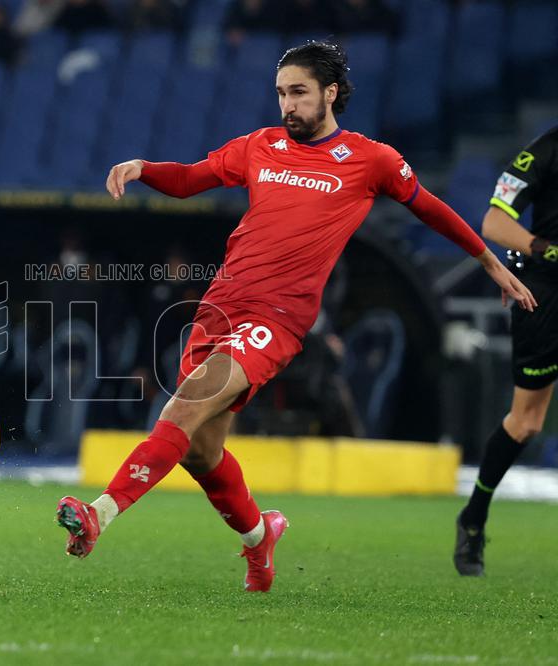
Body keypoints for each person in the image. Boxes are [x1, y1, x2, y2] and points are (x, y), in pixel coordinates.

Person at [55, 41, 536, 592]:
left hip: (277, 319)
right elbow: (191, 179)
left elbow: (429, 207)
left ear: (330, 93)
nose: (288, 104)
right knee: (203, 453)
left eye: (299, 92)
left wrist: (490, 264)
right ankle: (261, 540)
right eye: (282, 93)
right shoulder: (260, 145)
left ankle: (98, 515)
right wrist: (144, 167)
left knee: (184, 406)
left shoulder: (370, 159)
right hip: (219, 308)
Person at [453, 125, 558, 577]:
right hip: (547, 296)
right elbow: (494, 223)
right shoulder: (546, 150)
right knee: (527, 421)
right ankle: (473, 516)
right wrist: (541, 253)